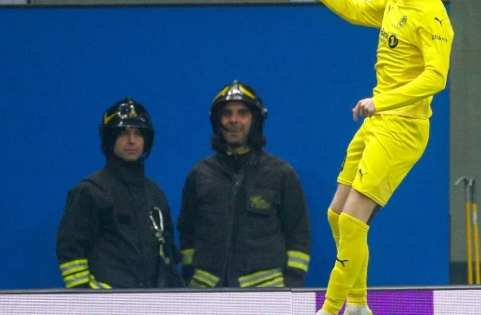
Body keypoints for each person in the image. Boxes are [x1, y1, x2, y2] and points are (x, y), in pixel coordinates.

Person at [279, 0, 453, 315]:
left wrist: (386, 100)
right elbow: (356, 10)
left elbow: (437, 77)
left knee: (354, 221)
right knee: (337, 215)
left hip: (402, 128)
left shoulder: (433, 17)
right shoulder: (393, 0)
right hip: (377, 122)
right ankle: (357, 309)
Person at [178, 81, 312, 289]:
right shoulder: (200, 174)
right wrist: (190, 277)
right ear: (217, 121)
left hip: (266, 294)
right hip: (205, 293)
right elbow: (186, 234)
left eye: (242, 113)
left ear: (255, 121)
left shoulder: (280, 173)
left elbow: (299, 235)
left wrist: (292, 283)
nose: (234, 120)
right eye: (227, 113)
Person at [56, 97, 184, 289]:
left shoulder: (155, 194)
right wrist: (87, 295)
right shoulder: (90, 191)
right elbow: (70, 252)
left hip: (151, 305)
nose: (132, 141)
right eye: (123, 133)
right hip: (104, 308)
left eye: (138, 133)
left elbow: (167, 256)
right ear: (109, 139)